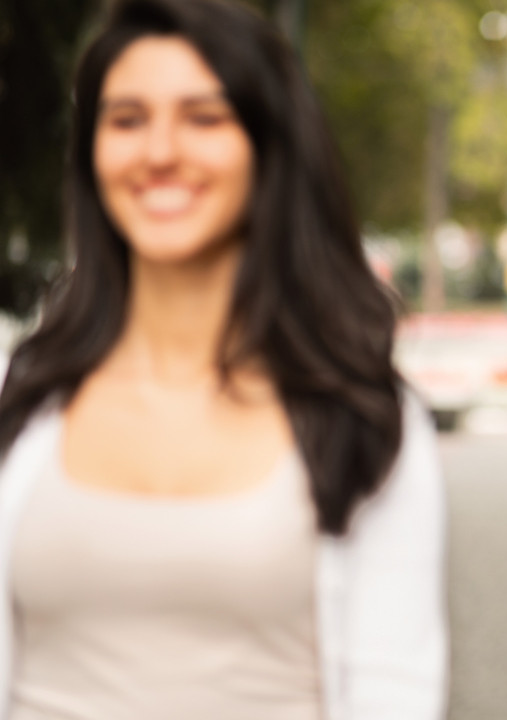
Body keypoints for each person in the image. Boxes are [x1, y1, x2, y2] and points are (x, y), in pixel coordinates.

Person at [0, 0, 447, 717]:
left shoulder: (364, 419)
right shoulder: (22, 399)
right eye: (126, 119)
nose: (159, 151)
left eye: (204, 117)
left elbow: (392, 692)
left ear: (268, 148)